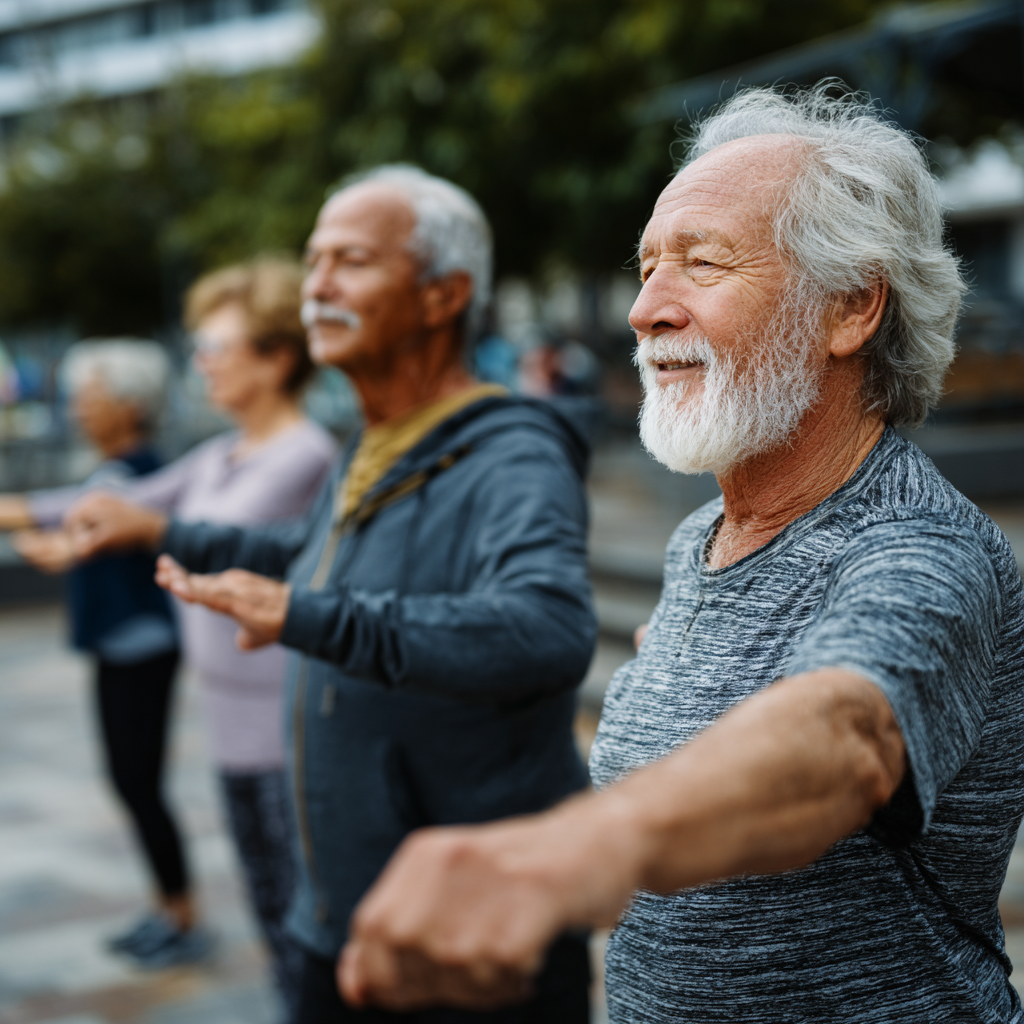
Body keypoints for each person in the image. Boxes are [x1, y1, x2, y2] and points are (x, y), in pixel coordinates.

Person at [333, 87, 1024, 1024]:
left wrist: (570, 852)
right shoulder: (698, 538)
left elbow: (845, 737)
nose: (645, 310)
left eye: (702, 263)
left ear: (852, 308)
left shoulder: (920, 547)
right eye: (649, 266)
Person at [65, 165, 598, 1023]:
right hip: (344, 916)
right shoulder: (375, 438)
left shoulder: (512, 453)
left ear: (443, 295)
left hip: (463, 945)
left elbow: (547, 627)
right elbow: (309, 552)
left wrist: (309, 617)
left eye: (350, 261)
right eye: (313, 262)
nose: (316, 287)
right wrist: (160, 532)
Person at [106, 258, 336, 1019]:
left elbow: (214, 536)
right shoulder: (219, 452)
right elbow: (117, 500)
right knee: (271, 912)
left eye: (217, 348)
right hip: (231, 724)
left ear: (275, 358)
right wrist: (25, 511)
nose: (200, 364)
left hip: (285, 730)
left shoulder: (303, 453)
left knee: (305, 919)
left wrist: (134, 528)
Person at [0, 340, 208, 968]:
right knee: (132, 782)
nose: (79, 412)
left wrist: (50, 530)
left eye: (89, 399)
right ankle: (167, 907)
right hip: (123, 646)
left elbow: (92, 516)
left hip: (139, 646)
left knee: (138, 782)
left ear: (129, 404)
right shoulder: (116, 470)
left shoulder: (136, 473)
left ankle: (181, 914)